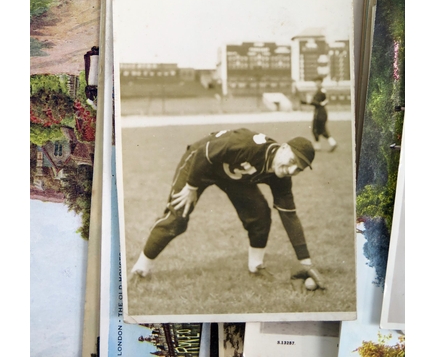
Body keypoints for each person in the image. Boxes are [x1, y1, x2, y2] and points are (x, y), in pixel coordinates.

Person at [130, 127, 326, 288]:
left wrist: (305, 262)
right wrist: (191, 186)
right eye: (292, 161)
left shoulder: (282, 177)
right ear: (283, 148)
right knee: (178, 218)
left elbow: (289, 217)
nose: (292, 170)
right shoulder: (250, 145)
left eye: (298, 169)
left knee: (260, 214)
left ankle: (256, 267)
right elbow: (204, 153)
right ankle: (141, 269)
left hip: (233, 175)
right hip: (201, 163)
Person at [301, 76, 337, 152]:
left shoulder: (320, 91)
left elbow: (316, 103)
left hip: (320, 113)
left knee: (319, 130)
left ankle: (331, 143)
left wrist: (307, 102)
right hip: (321, 112)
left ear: (320, 82)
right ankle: (319, 146)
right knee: (317, 130)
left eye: (316, 81)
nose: (315, 83)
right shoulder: (322, 90)